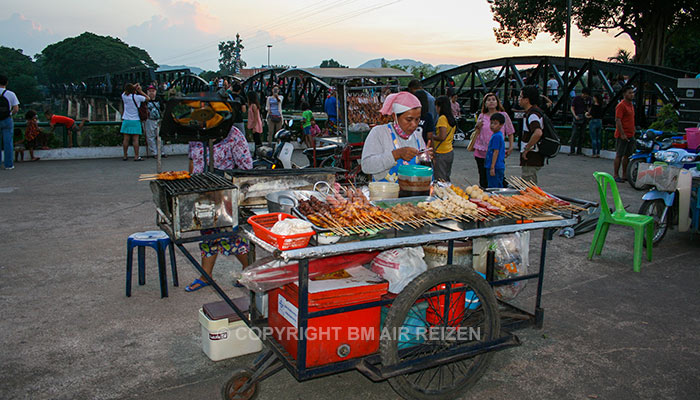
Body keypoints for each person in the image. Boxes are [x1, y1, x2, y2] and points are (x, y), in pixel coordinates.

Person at [185, 125, 253, 292]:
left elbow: (246, 167)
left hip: (226, 196)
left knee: (234, 238)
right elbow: (192, 161)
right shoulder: (197, 133)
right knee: (207, 235)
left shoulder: (233, 134)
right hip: (202, 195)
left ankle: (250, 272)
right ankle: (206, 275)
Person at [361, 91, 430, 182]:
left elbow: (422, 169)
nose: (414, 124)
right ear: (395, 116)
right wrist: (395, 155)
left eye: (417, 119)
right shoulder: (379, 133)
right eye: (409, 119)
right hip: (385, 194)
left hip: (413, 193)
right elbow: (366, 166)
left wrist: (425, 158)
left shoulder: (417, 136)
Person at [470, 93, 515, 188]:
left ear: (497, 102)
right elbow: (477, 131)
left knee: (497, 176)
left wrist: (511, 146)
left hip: (497, 152)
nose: (491, 101)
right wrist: (477, 125)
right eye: (488, 100)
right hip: (481, 151)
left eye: (493, 99)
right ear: (485, 103)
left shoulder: (503, 115)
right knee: (483, 178)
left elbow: (510, 131)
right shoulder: (482, 116)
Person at [519, 85, 546, 184]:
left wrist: (527, 148)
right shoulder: (534, 112)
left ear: (527, 99)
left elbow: (538, 132)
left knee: (528, 185)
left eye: (521, 96)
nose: (519, 99)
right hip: (532, 156)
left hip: (532, 156)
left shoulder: (533, 114)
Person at [120, 83, 148, 161]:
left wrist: (133, 86)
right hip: (135, 120)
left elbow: (126, 91)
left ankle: (125, 155)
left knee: (126, 139)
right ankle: (136, 156)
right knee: (135, 140)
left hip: (126, 120)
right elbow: (148, 98)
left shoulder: (124, 97)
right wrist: (140, 91)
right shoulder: (137, 97)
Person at [613, 87, 636, 182]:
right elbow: (618, 120)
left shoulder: (631, 105)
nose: (632, 94)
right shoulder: (621, 105)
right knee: (619, 154)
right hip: (623, 134)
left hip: (630, 134)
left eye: (632, 93)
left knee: (627, 155)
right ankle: (615, 175)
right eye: (629, 93)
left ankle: (624, 174)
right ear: (624, 94)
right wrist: (622, 133)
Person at [433, 95, 456, 182]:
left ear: (439, 106)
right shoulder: (451, 118)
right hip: (449, 151)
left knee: (440, 179)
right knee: (446, 177)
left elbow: (442, 136)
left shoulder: (442, 118)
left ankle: (443, 195)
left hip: (441, 153)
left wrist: (432, 136)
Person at [0, 75, 20, 170]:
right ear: (6, 83)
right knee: (8, 142)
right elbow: (16, 109)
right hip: (7, 119)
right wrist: (10, 113)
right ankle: (8, 164)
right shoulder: (11, 94)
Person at [485, 113, 506, 188]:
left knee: (494, 187)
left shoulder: (496, 136)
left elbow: (495, 152)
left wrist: (492, 167)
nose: (492, 125)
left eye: (495, 123)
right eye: (491, 123)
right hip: (498, 166)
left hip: (495, 166)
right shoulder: (497, 135)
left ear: (501, 125)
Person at [144, 85, 165, 159]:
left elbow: (162, 108)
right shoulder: (145, 100)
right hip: (149, 120)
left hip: (158, 119)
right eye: (150, 91)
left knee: (160, 136)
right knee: (150, 137)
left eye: (153, 91)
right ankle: (154, 153)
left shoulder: (159, 99)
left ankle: (161, 152)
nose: (151, 93)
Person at [569, 87, 591, 156]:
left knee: (582, 135)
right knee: (574, 134)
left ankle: (579, 150)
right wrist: (575, 116)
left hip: (584, 118)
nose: (586, 96)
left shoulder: (588, 99)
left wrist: (588, 113)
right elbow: (572, 107)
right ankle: (572, 150)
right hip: (577, 117)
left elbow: (589, 107)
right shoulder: (576, 98)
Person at [587, 94, 604, 158]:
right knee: (598, 138)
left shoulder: (593, 106)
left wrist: (587, 115)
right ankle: (598, 153)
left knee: (593, 138)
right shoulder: (601, 106)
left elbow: (591, 115)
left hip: (593, 121)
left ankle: (594, 153)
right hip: (599, 121)